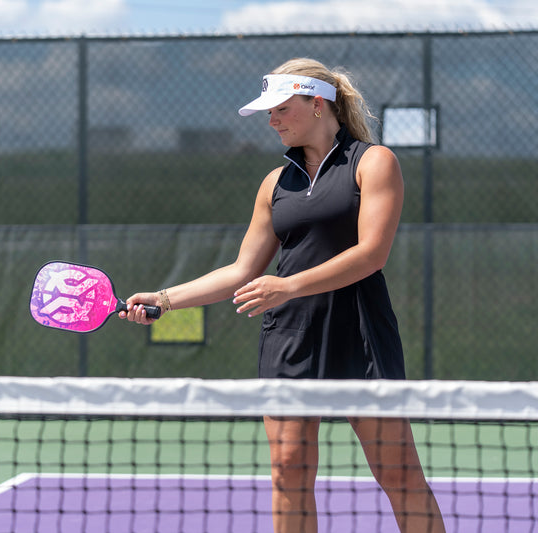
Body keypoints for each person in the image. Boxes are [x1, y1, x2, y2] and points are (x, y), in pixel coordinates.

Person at [120, 57, 446, 533]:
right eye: (268, 112)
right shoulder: (274, 184)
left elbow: (372, 253)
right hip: (291, 336)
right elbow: (241, 271)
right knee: (288, 471)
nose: (271, 120)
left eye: (280, 109)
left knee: (396, 472)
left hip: (359, 330)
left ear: (317, 104)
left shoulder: (374, 162)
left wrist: (287, 285)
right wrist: (165, 299)